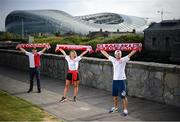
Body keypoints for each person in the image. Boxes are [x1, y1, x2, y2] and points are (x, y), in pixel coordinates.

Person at [100, 49, 137, 116]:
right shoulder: (113, 59)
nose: (118, 55)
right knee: (115, 96)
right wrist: (100, 48)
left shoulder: (124, 59)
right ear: (115, 55)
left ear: (121, 54)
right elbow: (106, 54)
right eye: (117, 54)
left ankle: (125, 109)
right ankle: (115, 107)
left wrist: (136, 48)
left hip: (121, 81)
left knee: (123, 96)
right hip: (115, 81)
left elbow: (131, 54)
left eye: (119, 54)